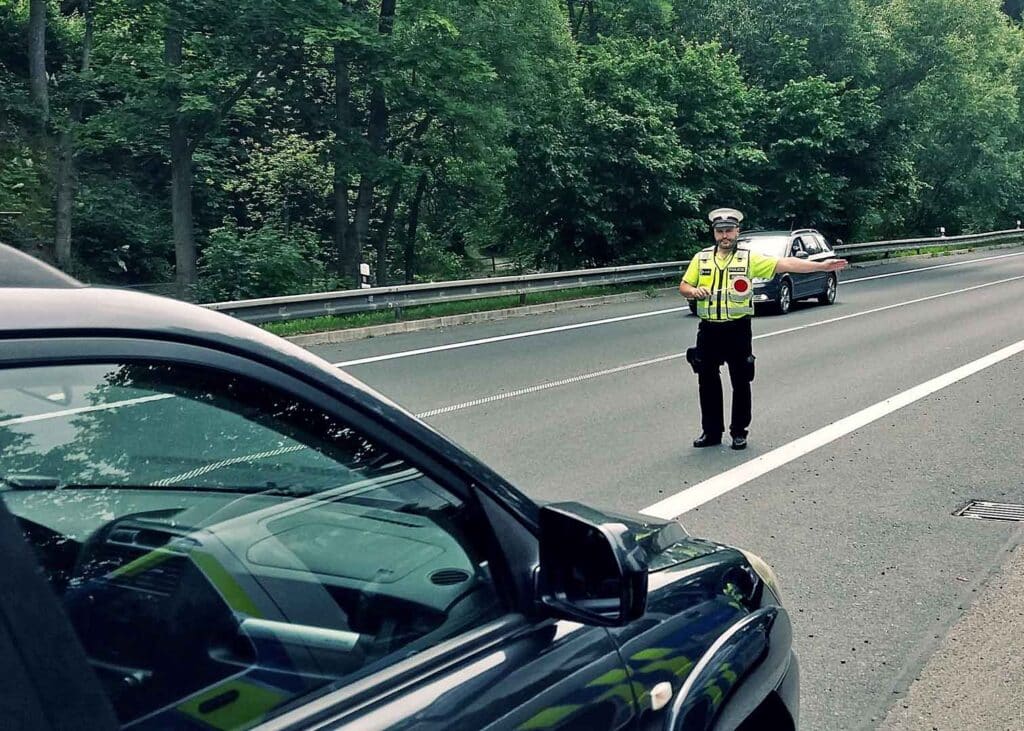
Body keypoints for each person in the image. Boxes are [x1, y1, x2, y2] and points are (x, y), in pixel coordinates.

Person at [678, 208, 848, 450]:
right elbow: (684, 285)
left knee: (741, 379)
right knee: (707, 381)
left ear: (737, 231)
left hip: (737, 329)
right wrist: (693, 291)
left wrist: (821, 267)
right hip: (709, 329)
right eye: (720, 231)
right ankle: (711, 432)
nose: (724, 235)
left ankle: (739, 432)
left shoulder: (748, 259)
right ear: (714, 233)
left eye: (729, 230)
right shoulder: (701, 258)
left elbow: (785, 263)